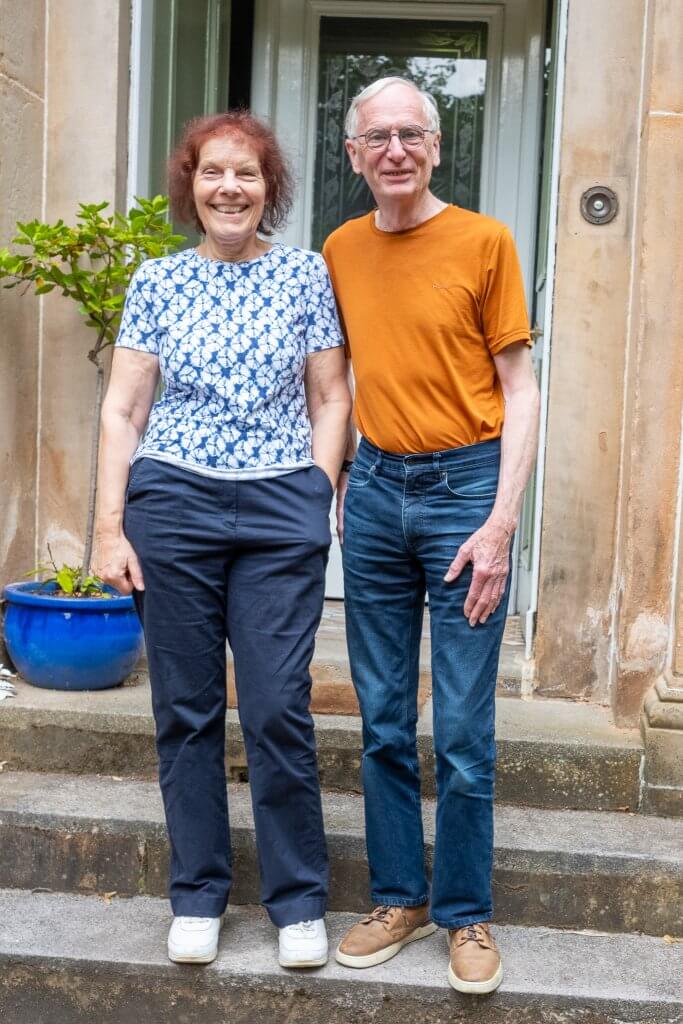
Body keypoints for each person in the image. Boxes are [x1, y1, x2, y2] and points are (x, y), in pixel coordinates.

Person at [94, 111, 351, 968]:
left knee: (278, 706)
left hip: (280, 509)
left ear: (269, 188)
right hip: (172, 506)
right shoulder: (158, 280)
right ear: (191, 187)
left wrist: (316, 490)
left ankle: (298, 900)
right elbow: (123, 408)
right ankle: (198, 894)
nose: (229, 188)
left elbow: (331, 397)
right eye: (213, 174)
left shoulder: (306, 275)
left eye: (246, 174)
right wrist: (107, 526)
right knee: (186, 709)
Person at [323, 77, 540, 994]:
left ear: (438, 148)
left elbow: (521, 387)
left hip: (465, 493)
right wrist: (330, 485)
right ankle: (397, 898)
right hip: (373, 489)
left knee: (460, 727)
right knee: (379, 718)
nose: (396, 150)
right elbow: (330, 384)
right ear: (354, 155)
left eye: (412, 134)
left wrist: (500, 523)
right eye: (378, 137)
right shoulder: (337, 249)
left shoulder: (485, 240)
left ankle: (463, 914)